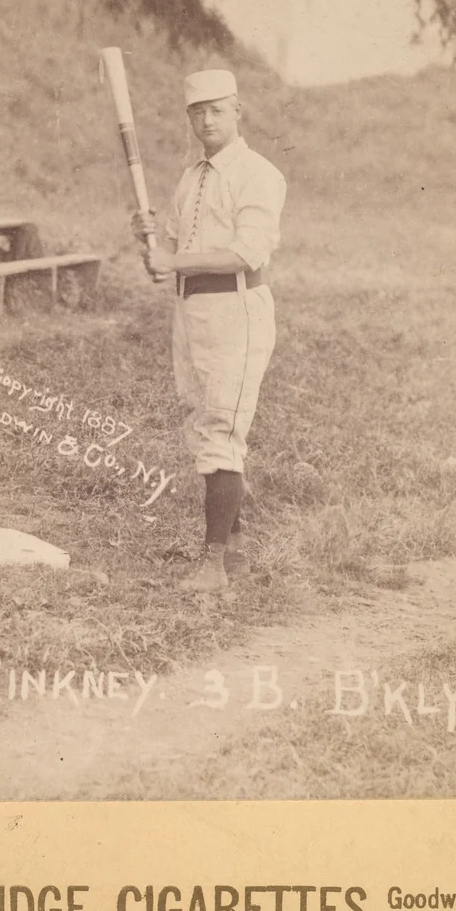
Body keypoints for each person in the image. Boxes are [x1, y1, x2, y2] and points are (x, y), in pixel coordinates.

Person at [131, 69, 287, 592]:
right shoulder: (190, 176)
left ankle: (212, 565)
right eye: (197, 111)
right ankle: (235, 548)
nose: (206, 120)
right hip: (192, 311)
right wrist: (151, 246)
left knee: (221, 428)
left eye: (217, 109)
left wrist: (173, 259)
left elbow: (247, 253)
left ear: (238, 111)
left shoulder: (258, 174)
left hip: (237, 310)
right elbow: (170, 257)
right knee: (200, 423)